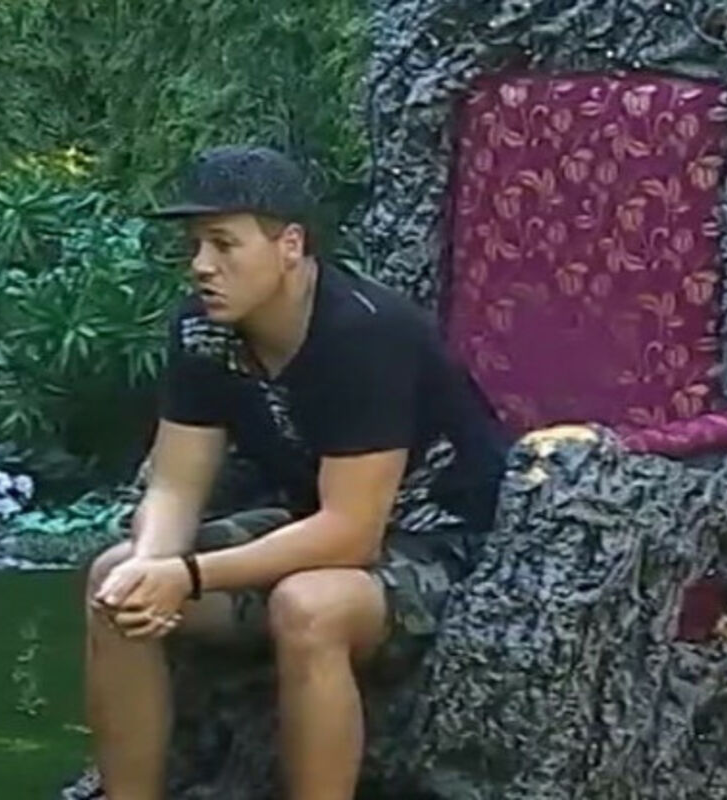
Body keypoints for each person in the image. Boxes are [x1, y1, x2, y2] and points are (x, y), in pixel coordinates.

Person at [83, 144, 510, 800]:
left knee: (309, 608)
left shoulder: (364, 334)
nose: (201, 265)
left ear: (290, 244)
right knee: (114, 584)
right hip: (310, 519)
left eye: (224, 244)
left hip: (443, 540)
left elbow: (352, 535)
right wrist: (151, 566)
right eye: (194, 245)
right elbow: (175, 485)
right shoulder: (202, 331)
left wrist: (188, 576)